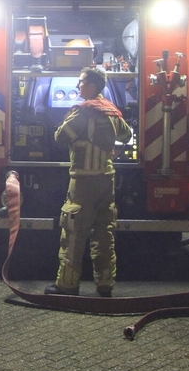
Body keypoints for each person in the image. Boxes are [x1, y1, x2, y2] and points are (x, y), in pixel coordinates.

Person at [45, 66, 132, 298]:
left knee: (73, 232)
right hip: (107, 180)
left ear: (91, 86)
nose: (77, 86)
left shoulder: (83, 112)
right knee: (104, 234)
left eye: (81, 82)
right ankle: (105, 284)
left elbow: (60, 137)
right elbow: (126, 135)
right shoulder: (111, 111)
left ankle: (67, 285)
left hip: (83, 182)